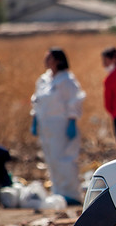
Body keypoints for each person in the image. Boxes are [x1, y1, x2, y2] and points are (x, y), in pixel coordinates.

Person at [31, 48, 85, 205]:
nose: (46, 60)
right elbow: (37, 101)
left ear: (58, 60)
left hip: (61, 124)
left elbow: (74, 101)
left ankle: (71, 194)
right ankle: (58, 193)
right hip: (45, 125)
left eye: (50, 58)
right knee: (51, 158)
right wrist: (34, 120)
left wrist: (72, 121)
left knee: (65, 159)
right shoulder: (43, 80)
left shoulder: (66, 80)